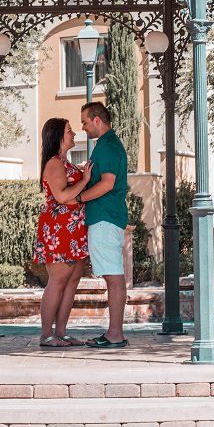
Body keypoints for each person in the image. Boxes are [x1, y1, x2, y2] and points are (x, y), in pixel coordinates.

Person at [34, 118, 92, 348]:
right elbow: (61, 196)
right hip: (59, 229)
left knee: (72, 281)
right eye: (69, 130)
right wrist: (85, 179)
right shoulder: (54, 163)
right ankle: (47, 335)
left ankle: (61, 332)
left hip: (74, 227)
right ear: (58, 135)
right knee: (58, 281)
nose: (74, 133)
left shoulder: (65, 162)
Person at [76, 102, 129, 348]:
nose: (83, 127)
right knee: (114, 277)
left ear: (97, 120)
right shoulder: (107, 145)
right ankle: (114, 333)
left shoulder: (107, 146)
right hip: (107, 218)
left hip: (104, 219)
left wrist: (79, 198)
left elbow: (107, 183)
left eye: (85, 122)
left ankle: (115, 334)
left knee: (114, 279)